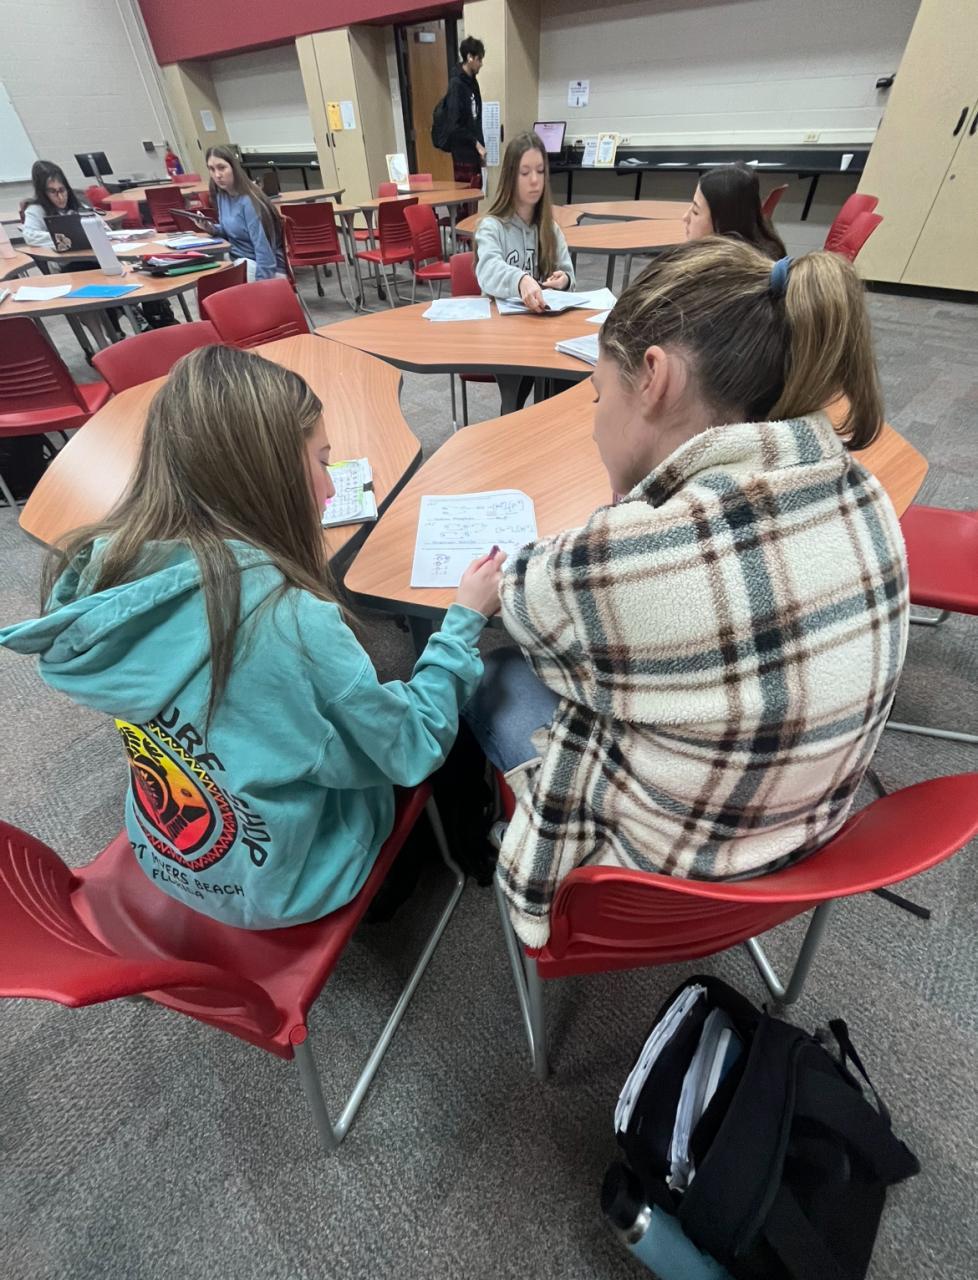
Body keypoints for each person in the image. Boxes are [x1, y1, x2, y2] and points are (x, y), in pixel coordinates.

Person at [464, 238, 909, 947]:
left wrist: (625, 507)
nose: (594, 420)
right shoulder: (863, 492)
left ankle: (474, 843)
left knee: (492, 672)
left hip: (652, 890)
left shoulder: (635, 555)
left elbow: (518, 593)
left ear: (654, 377)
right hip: (800, 854)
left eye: (598, 394)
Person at [0, 345, 505, 929]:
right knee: (455, 722)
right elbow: (410, 745)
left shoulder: (102, 571)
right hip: (289, 885)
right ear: (269, 478)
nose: (329, 489)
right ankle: (440, 863)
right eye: (321, 462)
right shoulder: (291, 624)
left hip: (167, 852)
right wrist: (463, 621)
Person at [474, 130, 576, 411]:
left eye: (540, 171)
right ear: (511, 176)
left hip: (545, 334)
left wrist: (564, 280)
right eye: (525, 172)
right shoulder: (492, 226)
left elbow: (568, 273)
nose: (534, 180)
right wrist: (520, 280)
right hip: (507, 339)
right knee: (515, 400)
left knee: (566, 384)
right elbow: (488, 269)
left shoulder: (550, 229)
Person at [19, 159, 175, 332]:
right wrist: (62, 238)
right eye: (53, 192)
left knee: (137, 273)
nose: (60, 196)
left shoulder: (78, 205)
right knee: (102, 283)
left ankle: (151, 318)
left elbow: (104, 229)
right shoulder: (36, 210)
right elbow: (30, 236)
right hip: (69, 269)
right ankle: (125, 324)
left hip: (98, 261)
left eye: (62, 190)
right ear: (43, 193)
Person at [201, 146, 286, 282]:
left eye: (222, 168)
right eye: (212, 169)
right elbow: (232, 231)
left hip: (259, 265)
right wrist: (212, 228)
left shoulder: (249, 201)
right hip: (236, 258)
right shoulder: (222, 196)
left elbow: (264, 249)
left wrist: (261, 284)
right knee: (206, 271)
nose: (217, 175)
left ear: (234, 168)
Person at [683, 162, 787, 258]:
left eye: (695, 212)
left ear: (724, 223)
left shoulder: (720, 269)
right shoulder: (761, 247)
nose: (685, 217)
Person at [446, 36, 486, 186]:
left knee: (477, 190)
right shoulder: (456, 84)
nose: (481, 64)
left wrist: (481, 146)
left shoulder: (473, 82)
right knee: (466, 193)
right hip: (462, 153)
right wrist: (476, 144)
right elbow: (454, 125)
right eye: (479, 59)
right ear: (470, 57)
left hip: (474, 150)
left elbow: (476, 119)